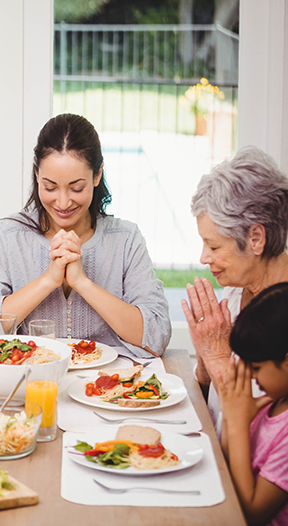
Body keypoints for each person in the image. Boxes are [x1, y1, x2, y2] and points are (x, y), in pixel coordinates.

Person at [0, 113, 170, 357]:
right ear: (36, 173)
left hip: (103, 389)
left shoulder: (125, 239)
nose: (62, 202)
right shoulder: (8, 236)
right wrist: (48, 280)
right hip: (31, 385)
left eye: (76, 188)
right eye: (50, 187)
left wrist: (83, 283)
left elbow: (156, 336)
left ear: (97, 175)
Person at [181, 146, 288, 432]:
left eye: (214, 245)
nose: (204, 257)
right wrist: (204, 363)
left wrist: (217, 359)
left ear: (255, 238)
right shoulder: (234, 294)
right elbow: (213, 409)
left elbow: (266, 443)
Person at [214, 282, 288, 526]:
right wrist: (231, 412)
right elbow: (226, 464)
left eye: (255, 368)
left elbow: (251, 514)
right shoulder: (272, 401)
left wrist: (236, 424)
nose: (251, 377)